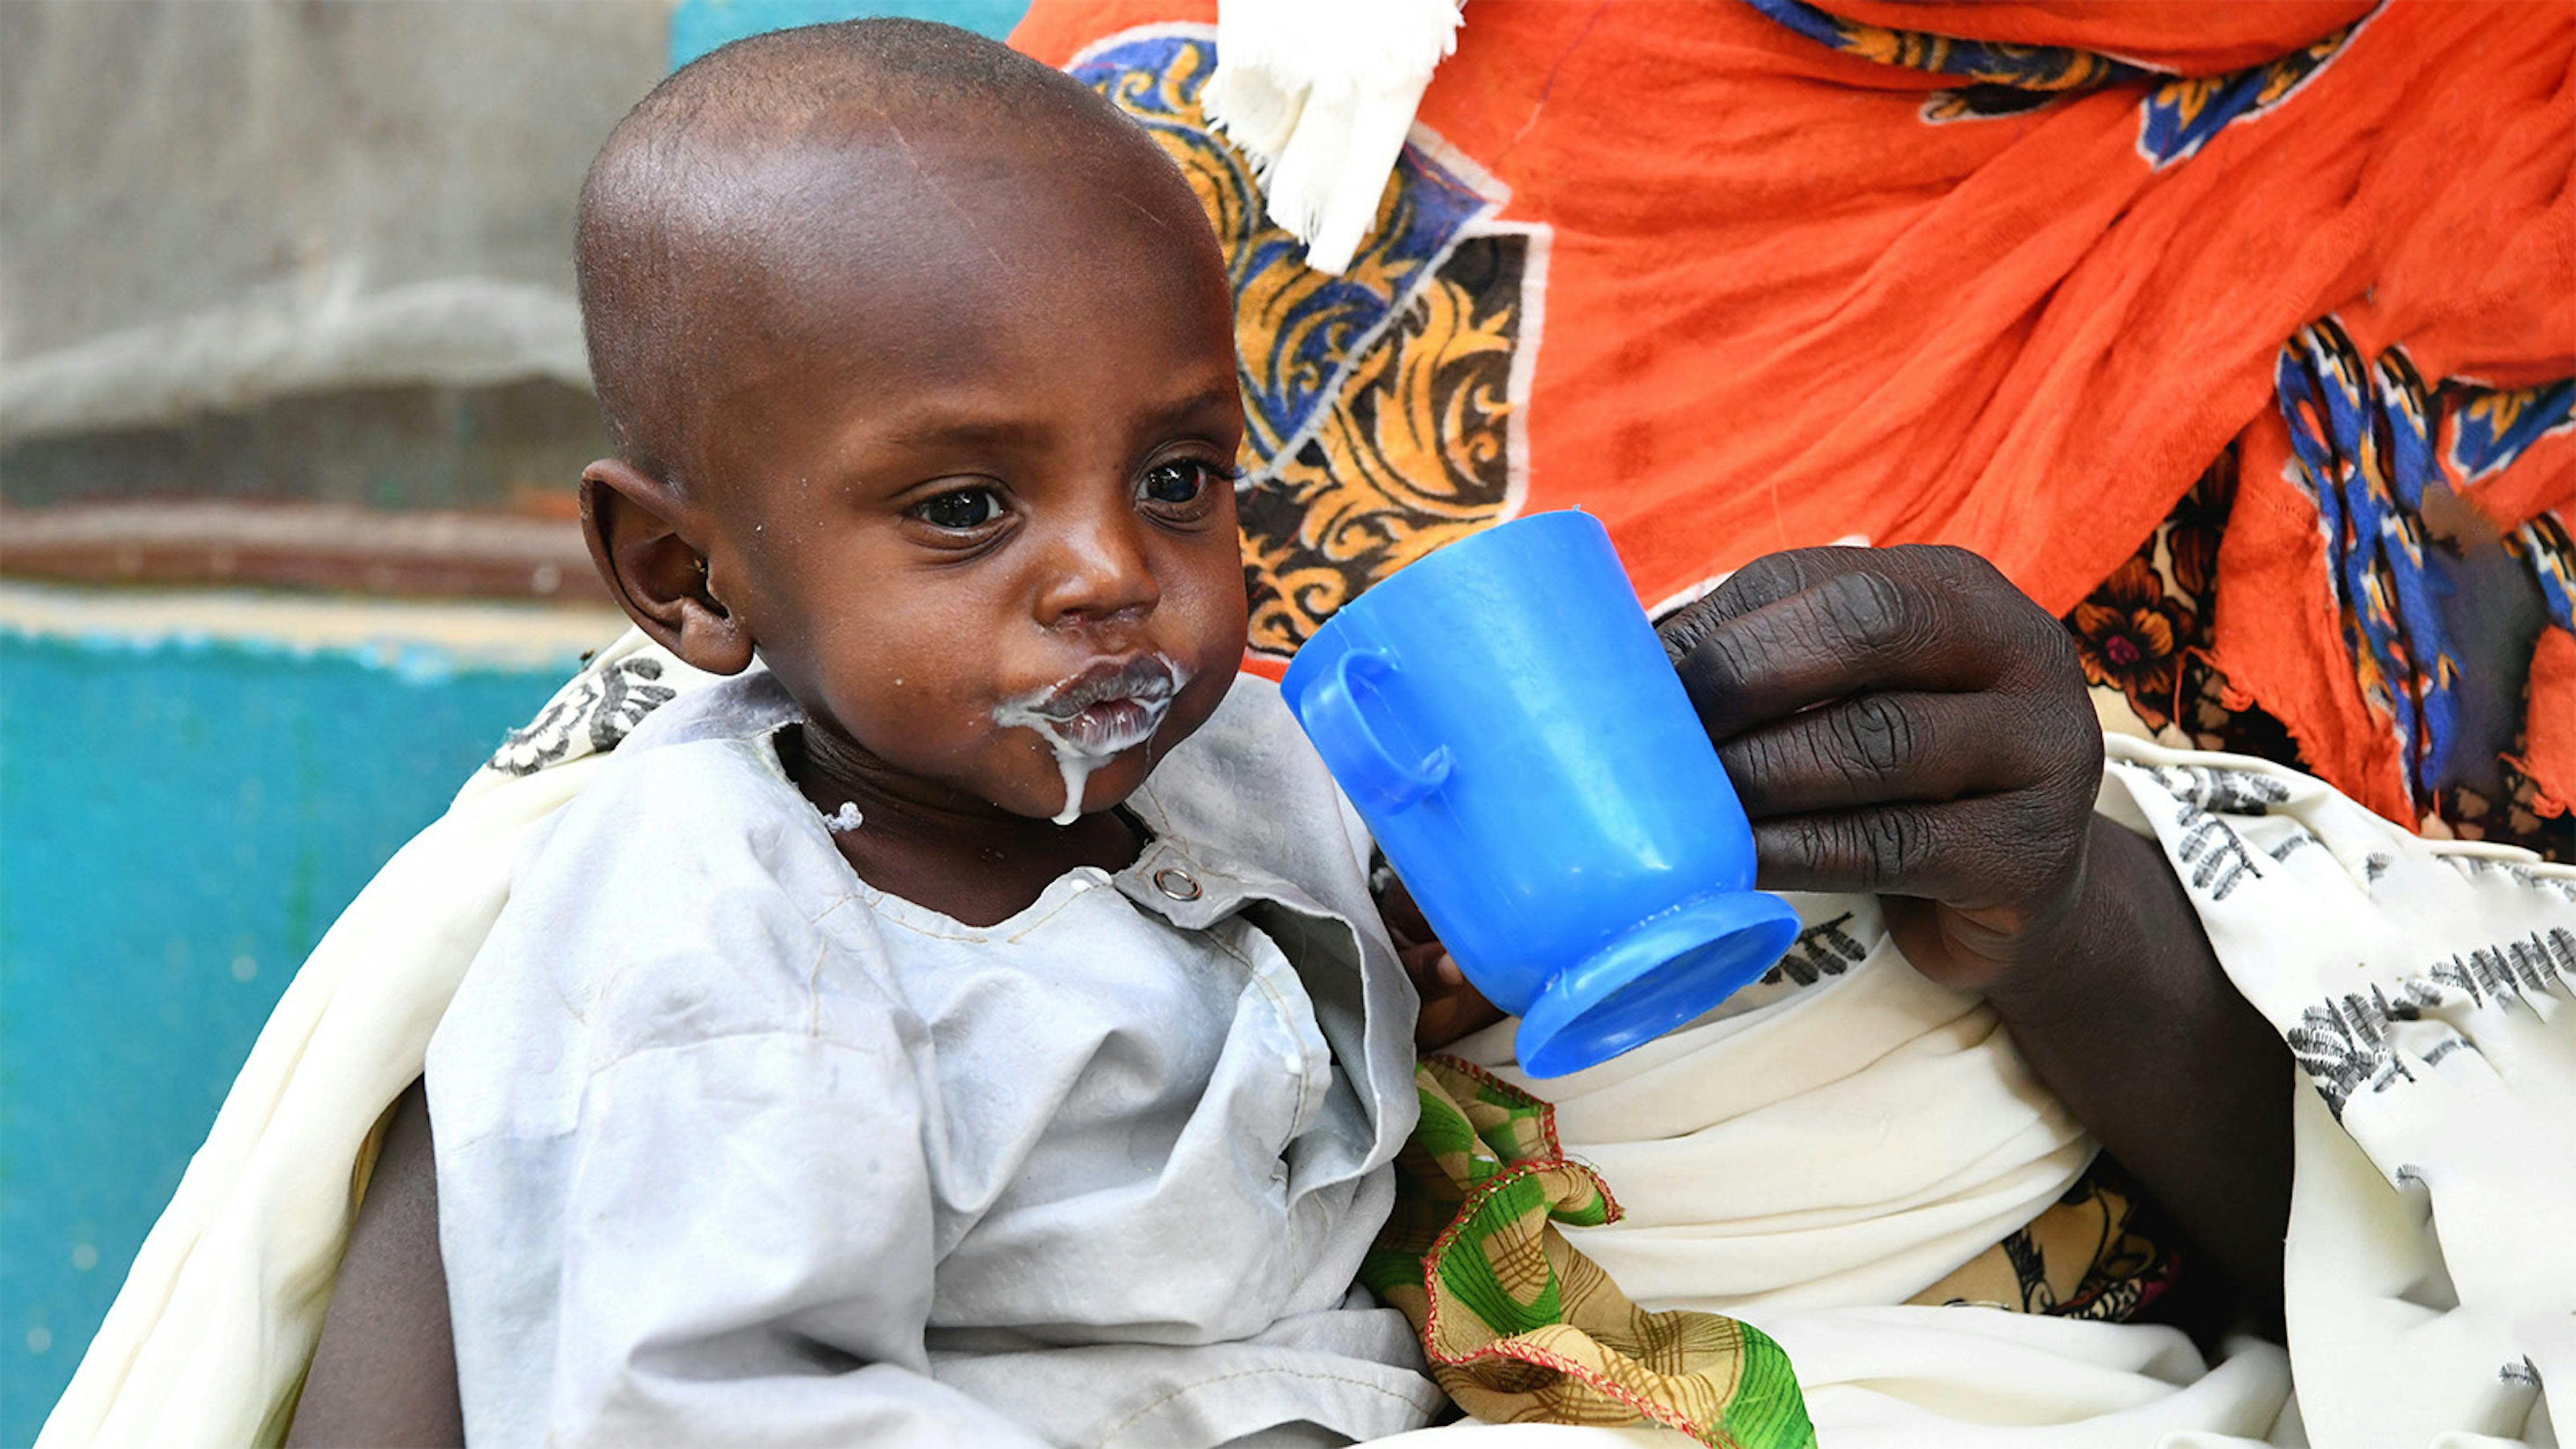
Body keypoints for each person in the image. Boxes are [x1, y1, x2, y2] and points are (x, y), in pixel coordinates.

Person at [46, 3, 2573, 1447]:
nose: (1111, 573)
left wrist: (2096, 912)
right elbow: (642, 1334)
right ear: (686, 575)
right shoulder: (1251, 111)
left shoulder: (2511, 184)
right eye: (971, 506)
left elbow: (2501, 1203)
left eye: (1186, 478)